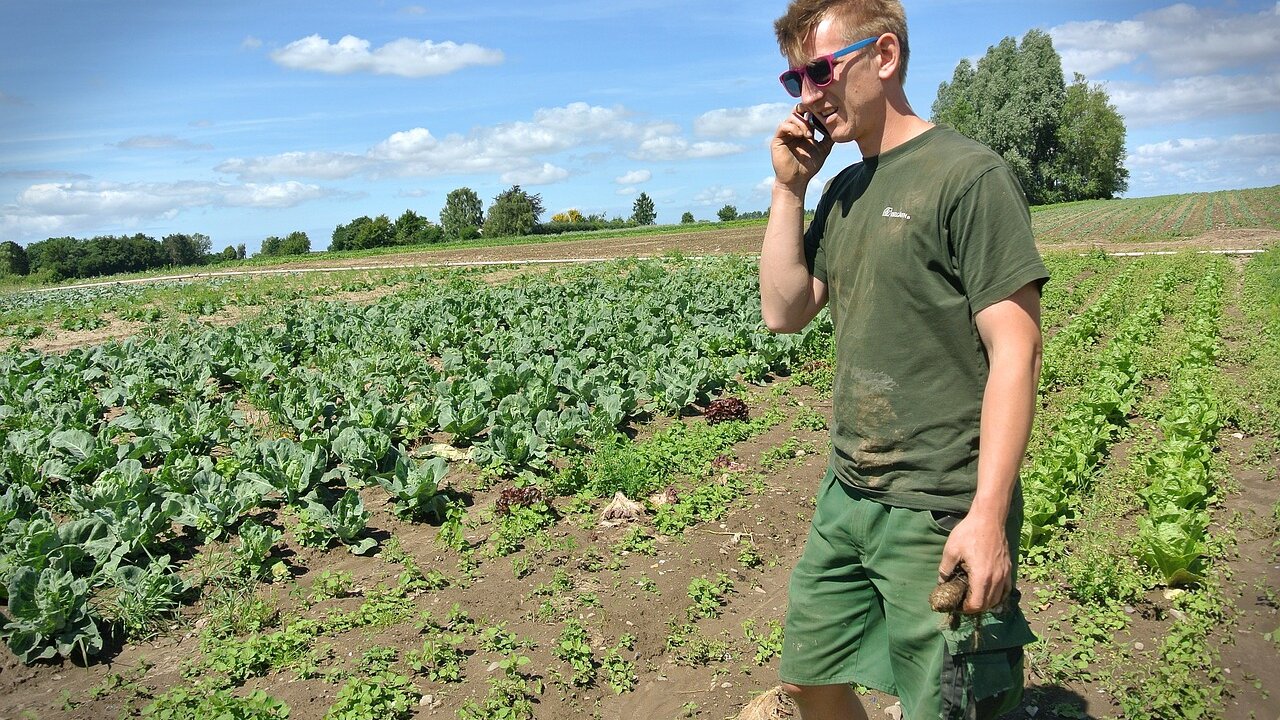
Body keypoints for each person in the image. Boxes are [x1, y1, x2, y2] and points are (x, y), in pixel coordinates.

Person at [760, 1, 1049, 718]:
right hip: (848, 492)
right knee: (809, 679)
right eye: (794, 79)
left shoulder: (967, 176)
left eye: (820, 71)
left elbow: (1018, 350)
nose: (807, 96)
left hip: (939, 504)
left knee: (945, 707)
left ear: (883, 57)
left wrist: (986, 516)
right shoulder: (845, 190)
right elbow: (784, 312)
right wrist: (789, 189)